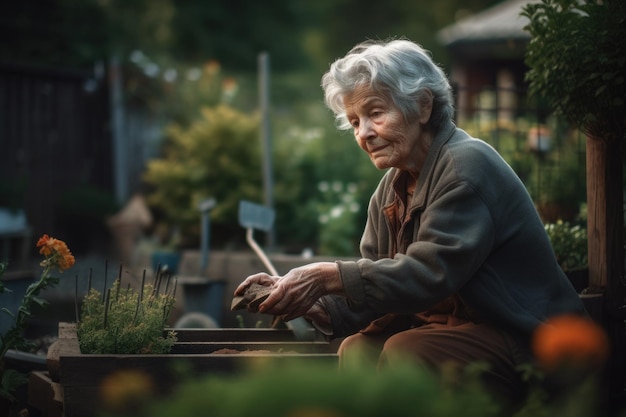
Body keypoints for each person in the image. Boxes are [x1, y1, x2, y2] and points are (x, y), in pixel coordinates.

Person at [234, 38, 586, 406]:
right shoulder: (390, 190)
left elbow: (429, 274)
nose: (363, 132)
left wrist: (327, 275)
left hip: (528, 339)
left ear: (421, 106)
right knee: (358, 350)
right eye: (355, 121)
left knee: (407, 348)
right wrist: (316, 304)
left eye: (375, 113)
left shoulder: (466, 167)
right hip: (459, 332)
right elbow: (379, 290)